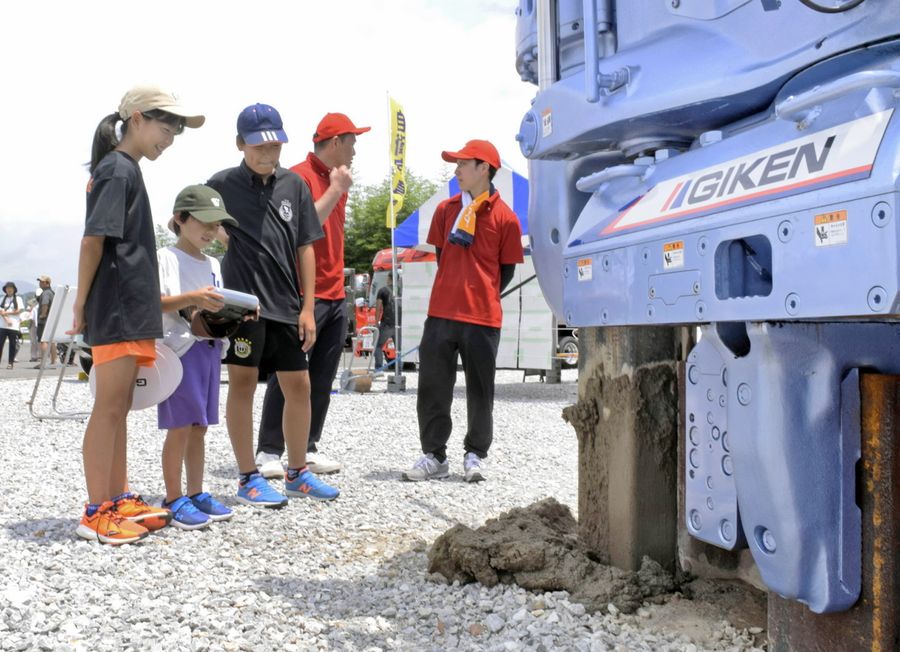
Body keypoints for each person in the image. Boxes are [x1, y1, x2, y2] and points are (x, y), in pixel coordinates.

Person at [72, 85, 205, 545]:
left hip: (131, 307)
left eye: (176, 129)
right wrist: (79, 304)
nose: (169, 136)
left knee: (120, 408)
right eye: (164, 125)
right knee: (108, 409)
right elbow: (93, 241)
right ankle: (95, 511)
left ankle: (116, 498)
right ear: (135, 117)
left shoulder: (126, 169)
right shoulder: (116, 170)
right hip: (116, 307)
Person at [207, 103, 340, 507]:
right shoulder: (221, 184)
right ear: (239, 145)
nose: (268, 154)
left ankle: (298, 471)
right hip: (243, 306)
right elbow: (187, 221)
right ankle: (248, 476)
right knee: (243, 385)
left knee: (299, 384)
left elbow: (305, 245)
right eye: (258, 147)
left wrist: (307, 307)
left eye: (275, 146)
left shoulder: (294, 185)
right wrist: (226, 242)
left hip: (287, 303)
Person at [255, 112, 370, 478]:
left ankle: (306, 446)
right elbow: (298, 231)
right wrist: (337, 190)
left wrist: (338, 187)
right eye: (352, 142)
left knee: (321, 377)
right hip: (301, 294)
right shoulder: (295, 177)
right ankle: (268, 450)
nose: (355, 151)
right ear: (336, 142)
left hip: (334, 293)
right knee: (287, 373)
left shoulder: (337, 177)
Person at [402, 140, 524, 483]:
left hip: (482, 317)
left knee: (480, 390)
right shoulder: (445, 210)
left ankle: (475, 454)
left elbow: (506, 271)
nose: (455, 170)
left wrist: (480, 293)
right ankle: (434, 455)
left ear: (483, 167)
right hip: (441, 311)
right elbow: (443, 256)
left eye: (462, 164)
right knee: (432, 386)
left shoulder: (506, 218)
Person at [157, 185, 240, 530]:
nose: (210, 230)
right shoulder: (166, 257)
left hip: (209, 348)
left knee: (201, 426)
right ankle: (174, 497)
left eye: (216, 223)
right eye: (203, 222)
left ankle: (196, 491)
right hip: (180, 350)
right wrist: (195, 298)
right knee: (179, 427)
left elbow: (215, 305)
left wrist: (238, 310)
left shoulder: (214, 262)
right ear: (180, 219)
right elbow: (157, 303)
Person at [0, 282, 24, 369]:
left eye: (11, 288)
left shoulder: (18, 298)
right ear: (5, 289)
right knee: (0, 344)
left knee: (12, 344)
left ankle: (10, 363)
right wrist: (7, 319)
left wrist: (6, 313)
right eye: (7, 288)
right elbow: (0, 311)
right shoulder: (2, 298)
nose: (9, 289)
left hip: (14, 326)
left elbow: (19, 311)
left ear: (14, 289)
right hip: (2, 325)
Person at [374, 273, 395, 372]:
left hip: (387, 323)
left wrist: (376, 321)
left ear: (389, 278)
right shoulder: (401, 290)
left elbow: (378, 307)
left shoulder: (382, 290)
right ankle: (399, 369)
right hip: (399, 324)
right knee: (399, 348)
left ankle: (378, 368)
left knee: (378, 346)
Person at [35, 276, 57, 367]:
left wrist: (43, 314)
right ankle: (53, 362)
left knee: (43, 340)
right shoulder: (52, 292)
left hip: (44, 320)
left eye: (42, 282)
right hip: (51, 320)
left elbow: (45, 303)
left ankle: (43, 363)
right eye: (40, 281)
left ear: (47, 283)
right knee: (51, 341)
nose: (40, 283)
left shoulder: (46, 293)